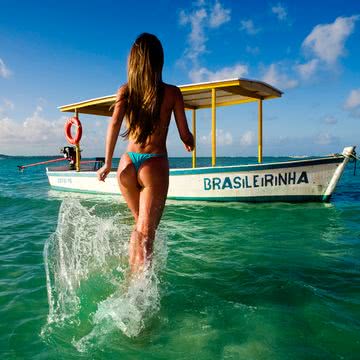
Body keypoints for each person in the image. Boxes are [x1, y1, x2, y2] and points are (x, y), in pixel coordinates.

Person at [97, 33, 194, 274]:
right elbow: (184, 133)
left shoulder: (126, 91)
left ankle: (131, 276)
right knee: (146, 234)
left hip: (127, 164)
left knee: (139, 227)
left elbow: (114, 126)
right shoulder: (172, 93)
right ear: (159, 61)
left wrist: (107, 163)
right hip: (153, 163)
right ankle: (138, 293)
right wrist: (189, 141)